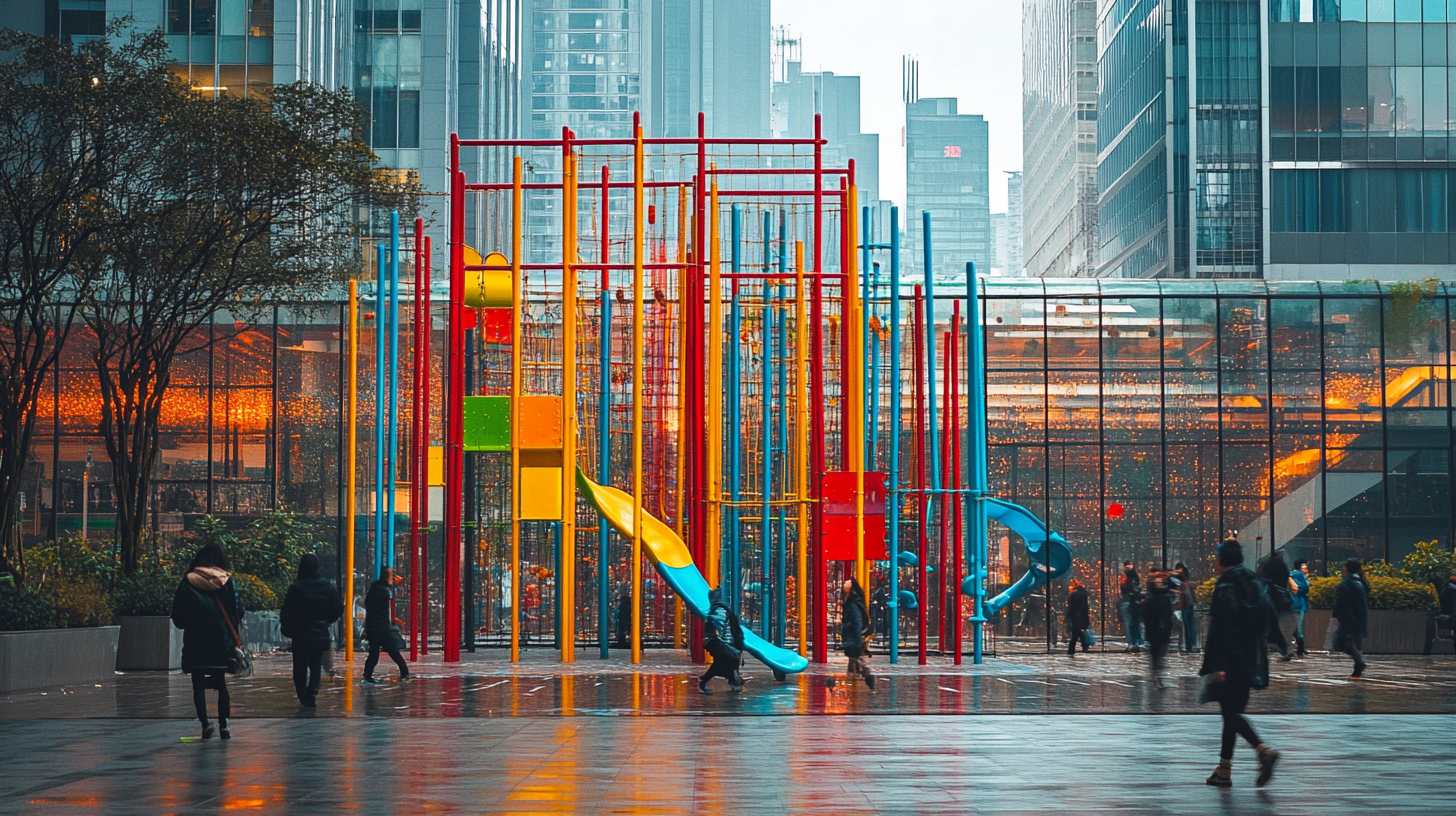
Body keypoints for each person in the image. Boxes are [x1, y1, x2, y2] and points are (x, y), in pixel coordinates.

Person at [1200, 538, 1280, 788]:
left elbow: (1223, 628)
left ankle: (1262, 750)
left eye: (1216, 558)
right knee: (1230, 714)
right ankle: (1224, 770)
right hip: (1250, 659)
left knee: (1231, 713)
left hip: (1230, 660)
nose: (1214, 563)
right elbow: (1269, 619)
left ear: (1223, 560)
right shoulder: (1254, 585)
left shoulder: (1226, 587)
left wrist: (1219, 665)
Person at [170, 542, 243, 740]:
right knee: (221, 683)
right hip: (221, 641)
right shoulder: (227, 581)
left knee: (198, 684)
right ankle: (225, 725)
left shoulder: (188, 582)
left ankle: (205, 724)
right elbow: (239, 610)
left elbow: (178, 616)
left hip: (196, 641)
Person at [279, 553, 344, 707]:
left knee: (299, 665)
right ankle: (312, 693)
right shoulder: (326, 586)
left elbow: (286, 612)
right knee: (316, 664)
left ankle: (302, 694)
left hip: (300, 634)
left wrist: (289, 627)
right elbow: (338, 608)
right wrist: (327, 620)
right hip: (320, 632)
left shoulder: (296, 588)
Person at [362, 567, 411, 685]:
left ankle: (367, 675)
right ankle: (404, 673)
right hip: (381, 627)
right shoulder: (383, 592)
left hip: (373, 627)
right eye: (391, 575)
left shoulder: (375, 589)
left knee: (375, 652)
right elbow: (384, 611)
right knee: (392, 650)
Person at [698, 588, 745, 693]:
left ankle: (734, 682)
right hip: (718, 643)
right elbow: (721, 627)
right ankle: (734, 682)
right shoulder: (719, 611)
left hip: (719, 643)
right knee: (728, 661)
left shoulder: (718, 610)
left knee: (722, 663)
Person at [1332, 559, 1369, 679]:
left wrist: (1336, 616)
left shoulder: (1346, 584)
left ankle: (1360, 662)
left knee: (1346, 644)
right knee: (1353, 644)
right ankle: (1357, 669)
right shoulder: (1361, 583)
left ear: (1346, 569)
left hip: (1349, 619)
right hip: (1360, 618)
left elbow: (1340, 603)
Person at [1256, 550, 1295, 662]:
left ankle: (1283, 648)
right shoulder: (1282, 568)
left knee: (1271, 628)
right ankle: (1285, 648)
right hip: (1278, 603)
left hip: (1269, 603)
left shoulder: (1266, 571)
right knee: (1274, 628)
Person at [840, 577, 876, 689]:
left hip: (853, 637)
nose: (845, 582)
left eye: (848, 582)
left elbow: (856, 621)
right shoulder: (853, 601)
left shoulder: (852, 603)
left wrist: (855, 637)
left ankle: (868, 677)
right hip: (853, 636)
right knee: (853, 659)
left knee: (857, 659)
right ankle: (852, 681)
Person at [1144, 571, 1177, 687]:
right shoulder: (1153, 598)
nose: (1159, 582)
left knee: (1160, 653)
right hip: (1155, 629)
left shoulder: (1164, 596)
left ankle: (1157, 674)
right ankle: (1156, 674)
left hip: (1162, 629)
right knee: (1156, 653)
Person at [1118, 562, 1143, 651]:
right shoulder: (1132, 579)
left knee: (1132, 624)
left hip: (1129, 603)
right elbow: (1135, 590)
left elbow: (1128, 590)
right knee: (1133, 624)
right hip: (1132, 604)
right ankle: (1136, 642)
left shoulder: (1127, 579)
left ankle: (1134, 642)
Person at [1289, 559, 1311, 657]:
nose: (1306, 570)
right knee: (1299, 628)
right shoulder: (1300, 575)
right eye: (1305, 568)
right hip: (1299, 604)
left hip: (1291, 604)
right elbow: (1305, 588)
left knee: (1295, 626)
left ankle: (1297, 647)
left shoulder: (1290, 574)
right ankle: (1300, 649)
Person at [1175, 562, 1199, 653]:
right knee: (1188, 626)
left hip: (1188, 604)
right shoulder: (1180, 579)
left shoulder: (1185, 580)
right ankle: (1189, 645)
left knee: (1190, 626)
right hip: (1185, 605)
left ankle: (1191, 645)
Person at [1066, 579, 1091, 658]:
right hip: (1082, 616)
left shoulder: (1074, 595)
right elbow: (1086, 607)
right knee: (1078, 632)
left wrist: (1068, 616)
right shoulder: (1084, 595)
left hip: (1076, 616)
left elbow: (1072, 607)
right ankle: (1083, 645)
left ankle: (1072, 649)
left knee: (1075, 633)